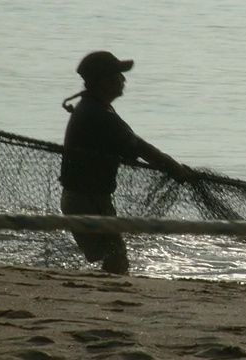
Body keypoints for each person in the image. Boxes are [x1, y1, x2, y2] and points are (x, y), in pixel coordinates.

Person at [59, 51, 195, 275]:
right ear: (103, 82)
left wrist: (173, 166)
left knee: (112, 252)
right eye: (117, 76)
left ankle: (106, 290)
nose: (123, 81)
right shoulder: (98, 114)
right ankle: (110, 296)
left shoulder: (95, 107)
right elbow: (138, 147)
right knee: (115, 254)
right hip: (86, 200)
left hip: (87, 197)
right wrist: (174, 168)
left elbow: (132, 144)